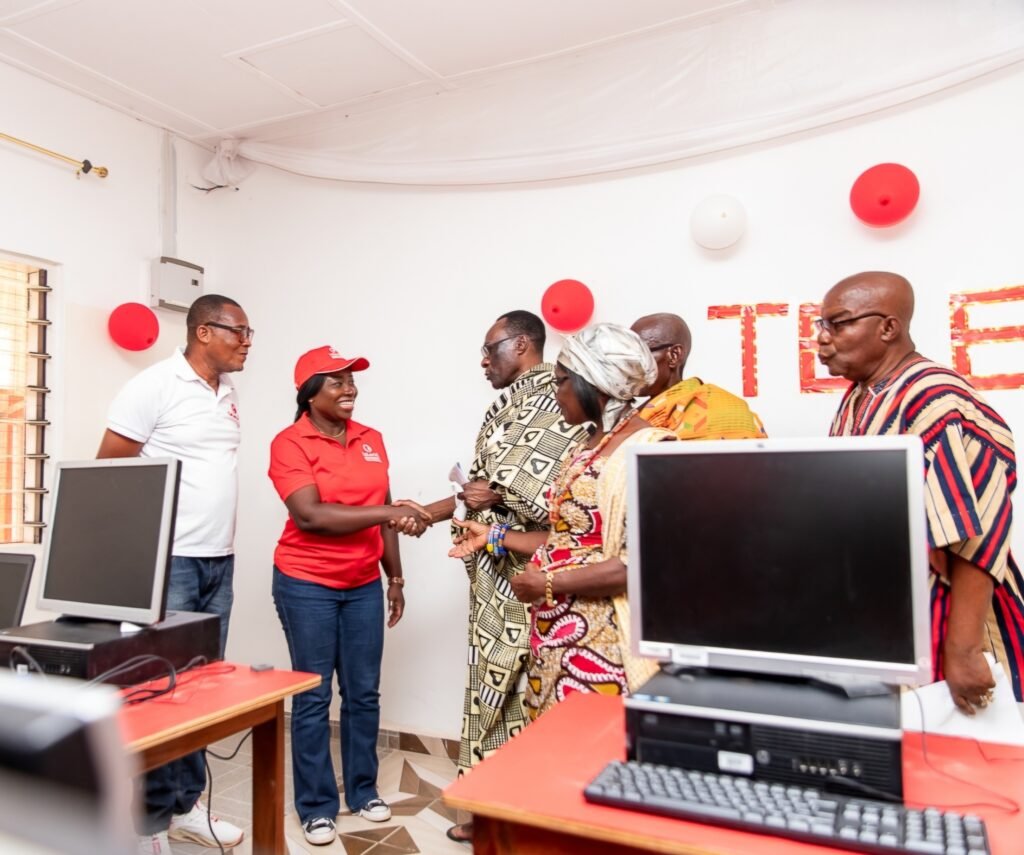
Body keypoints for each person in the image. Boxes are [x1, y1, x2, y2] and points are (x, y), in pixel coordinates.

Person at [411, 311, 585, 844]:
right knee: (491, 689)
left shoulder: (560, 397)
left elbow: (561, 492)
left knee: (535, 692)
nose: (484, 361)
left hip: (538, 576)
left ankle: (535, 811)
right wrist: (427, 513)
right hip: (493, 576)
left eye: (492, 349)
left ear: (525, 343)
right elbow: (482, 486)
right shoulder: (509, 403)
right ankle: (488, 806)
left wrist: (498, 496)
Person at [818, 271, 1024, 713]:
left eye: (838, 324)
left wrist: (964, 649)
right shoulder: (861, 395)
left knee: (963, 761)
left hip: (946, 618)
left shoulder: (934, 397)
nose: (822, 339)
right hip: (891, 616)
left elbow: (979, 531)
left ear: (888, 327)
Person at [451, 323, 675, 720]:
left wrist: (548, 582)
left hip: (604, 643)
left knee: (592, 760)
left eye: (561, 383)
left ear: (595, 382)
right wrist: (496, 535)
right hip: (555, 633)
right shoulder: (586, 447)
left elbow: (643, 563)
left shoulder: (650, 451)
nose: (556, 395)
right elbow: (568, 540)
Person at [98, 294, 250, 854]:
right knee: (158, 691)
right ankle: (147, 822)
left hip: (219, 559)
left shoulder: (228, 394)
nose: (247, 342)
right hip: (169, 561)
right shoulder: (154, 385)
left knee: (201, 687)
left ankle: (185, 805)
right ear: (204, 332)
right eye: (239, 332)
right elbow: (111, 470)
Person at [268, 346, 429, 847]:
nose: (349, 389)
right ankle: (315, 807)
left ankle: (362, 792)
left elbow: (383, 511)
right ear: (309, 393)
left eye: (351, 379)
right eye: (335, 381)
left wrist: (394, 579)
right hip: (306, 583)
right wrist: (391, 514)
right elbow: (311, 516)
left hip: (362, 585)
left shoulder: (371, 439)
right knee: (314, 697)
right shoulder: (290, 443)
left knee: (363, 693)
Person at [630, 312, 766, 439]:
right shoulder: (634, 418)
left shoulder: (726, 410)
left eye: (638, 354)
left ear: (674, 355)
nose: (627, 364)